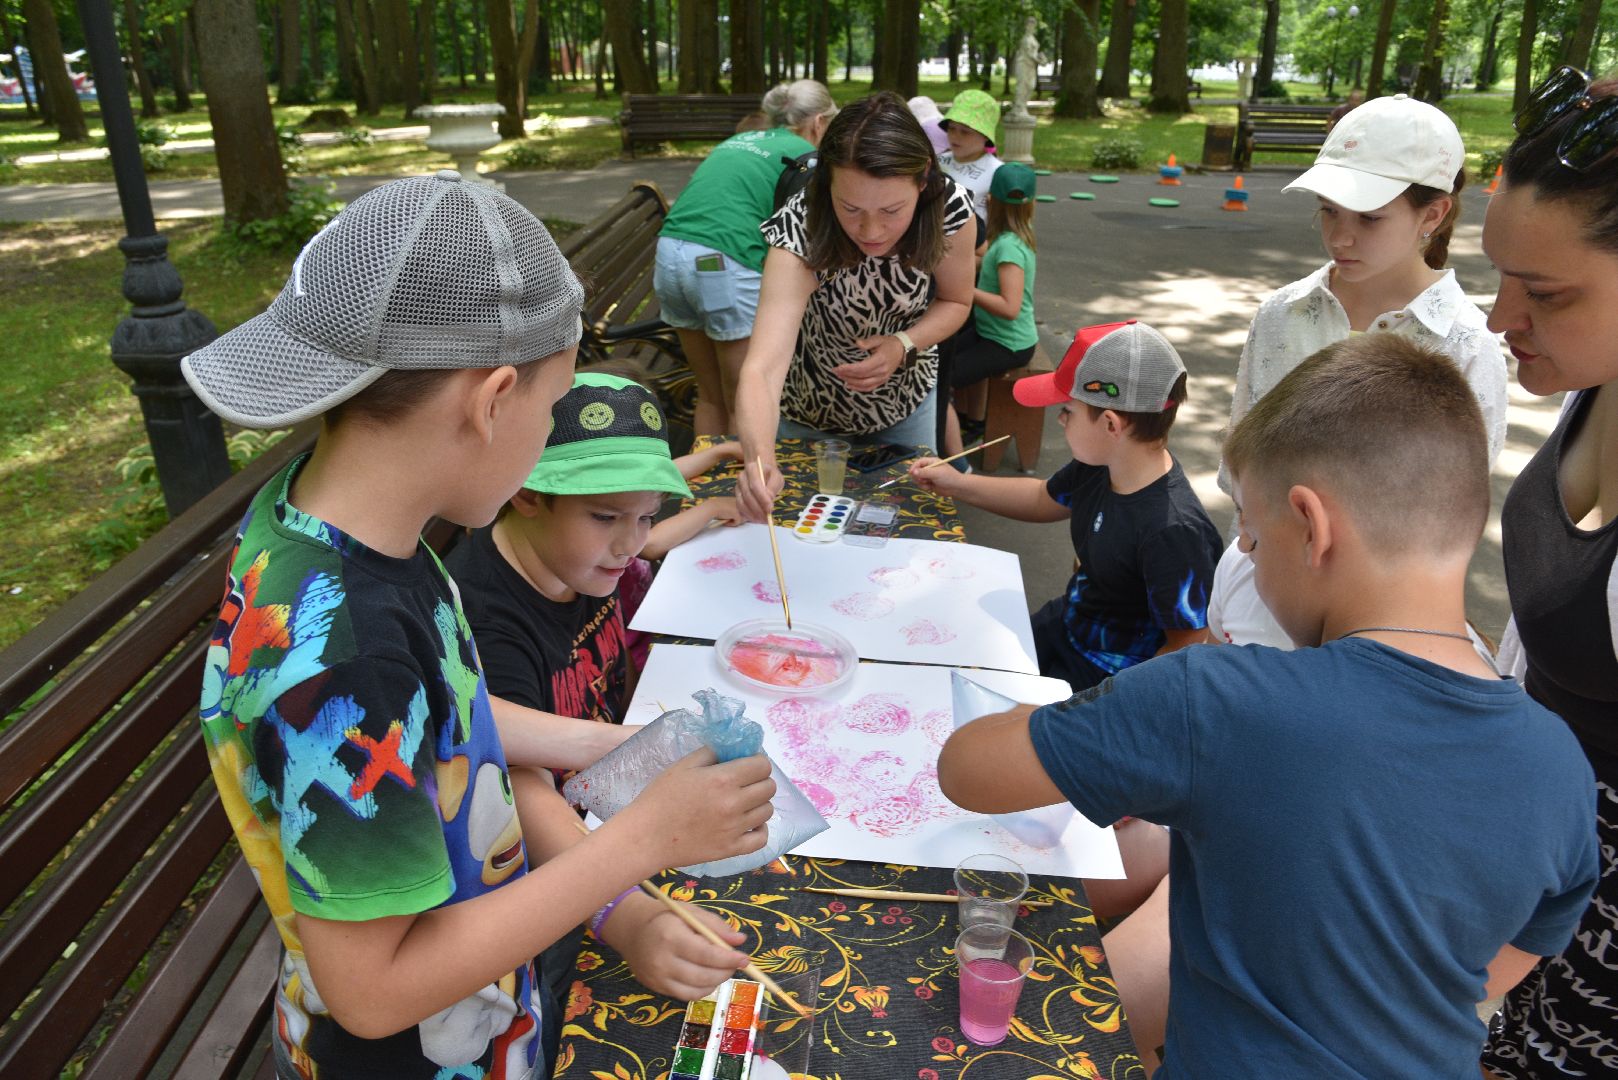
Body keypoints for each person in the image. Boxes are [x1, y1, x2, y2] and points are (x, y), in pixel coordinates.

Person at [184, 173, 776, 1079]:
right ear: (493, 398)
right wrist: (642, 841)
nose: (545, 435)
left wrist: (605, 739)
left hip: (487, 1004)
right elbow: (374, 990)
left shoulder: (345, 523)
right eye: (550, 409)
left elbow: (444, 719)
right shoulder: (347, 654)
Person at [939, 336, 1599, 1078]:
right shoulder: (1561, 763)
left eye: (1250, 536)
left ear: (1311, 526)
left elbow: (968, 770)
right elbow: (1514, 951)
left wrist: (1119, 716)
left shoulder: (1216, 699)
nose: (1246, 555)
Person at [445, 371, 748, 1023]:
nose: (630, 544)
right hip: (552, 870)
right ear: (527, 493)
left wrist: (700, 494)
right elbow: (517, 785)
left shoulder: (578, 554)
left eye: (644, 516)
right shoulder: (489, 621)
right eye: (608, 517)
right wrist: (626, 914)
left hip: (612, 801)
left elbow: (635, 534)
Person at [1215, 92, 1509, 640]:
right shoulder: (1282, 315)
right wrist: (1245, 565)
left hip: (1382, 621)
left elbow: (1447, 522)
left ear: (1434, 213)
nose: (1340, 237)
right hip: (1262, 589)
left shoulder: (1466, 345)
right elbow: (1242, 465)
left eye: (1370, 219)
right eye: (1328, 210)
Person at [1477, 66, 1618, 1080]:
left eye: (1545, 294)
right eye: (1498, 277)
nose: (1496, 320)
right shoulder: (1591, 382)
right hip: (1523, 900)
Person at [910, 321, 1221, 693]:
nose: (1060, 419)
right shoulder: (1099, 465)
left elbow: (1186, 643)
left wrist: (1109, 706)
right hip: (1068, 624)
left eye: (1067, 410)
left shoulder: (1173, 531)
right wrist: (958, 484)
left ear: (1110, 424)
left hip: (1108, 675)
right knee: (953, 675)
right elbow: (1044, 497)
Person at [733, 91, 976, 521]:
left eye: (891, 210)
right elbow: (763, 367)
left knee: (908, 532)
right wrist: (759, 458)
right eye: (851, 208)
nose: (872, 230)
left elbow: (956, 301)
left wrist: (903, 342)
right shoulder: (803, 222)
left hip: (906, 404)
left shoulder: (949, 209)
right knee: (801, 534)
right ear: (828, 184)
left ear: (922, 180)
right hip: (806, 410)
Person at [654, 79, 838, 435]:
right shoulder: (808, 157)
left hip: (669, 255)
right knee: (745, 398)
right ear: (818, 122)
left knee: (709, 396)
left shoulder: (739, 140)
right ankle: (744, 488)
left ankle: (707, 487)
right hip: (722, 264)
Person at [938, 161, 1040, 459]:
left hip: (1009, 343)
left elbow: (1010, 307)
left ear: (990, 200)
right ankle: (973, 423)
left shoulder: (1008, 247)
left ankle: (950, 453)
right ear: (1032, 204)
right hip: (991, 333)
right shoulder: (1015, 237)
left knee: (940, 378)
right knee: (943, 354)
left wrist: (964, 291)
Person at [935, 88, 1003, 243]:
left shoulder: (997, 172)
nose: (955, 136)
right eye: (951, 128)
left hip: (969, 251)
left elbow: (1000, 227)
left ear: (986, 136)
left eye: (965, 132)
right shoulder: (937, 161)